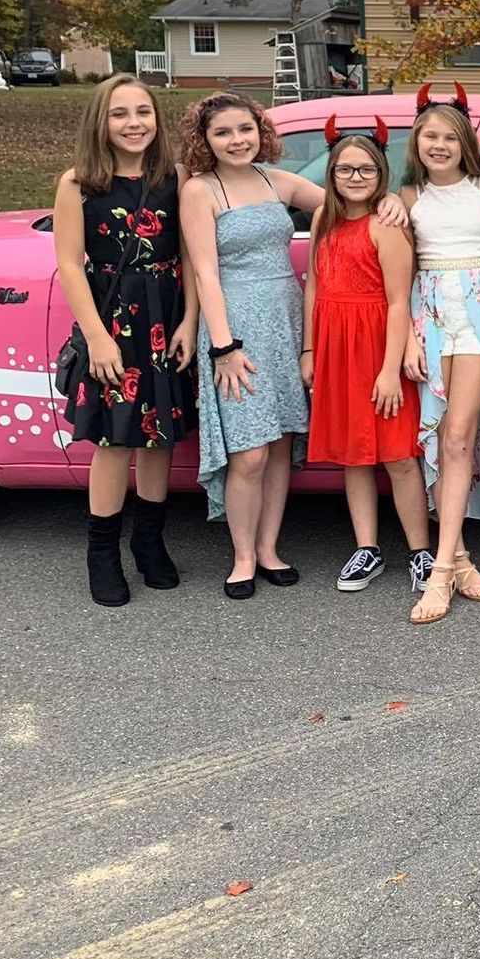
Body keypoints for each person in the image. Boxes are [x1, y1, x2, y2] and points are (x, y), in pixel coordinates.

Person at [179, 91, 407, 599]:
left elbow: (346, 199)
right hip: (235, 327)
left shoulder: (275, 180)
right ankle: (240, 558)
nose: (237, 140)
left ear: (261, 131)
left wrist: (392, 199)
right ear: (206, 140)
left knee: (280, 443)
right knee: (249, 454)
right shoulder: (200, 190)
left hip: (286, 320)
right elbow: (205, 273)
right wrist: (223, 347)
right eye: (223, 132)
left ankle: (268, 550)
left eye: (245, 129)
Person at [52, 74, 198, 607]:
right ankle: (102, 552)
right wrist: (97, 338)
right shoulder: (79, 183)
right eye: (120, 114)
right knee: (115, 441)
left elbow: (191, 257)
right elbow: (69, 263)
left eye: (142, 112)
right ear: (101, 122)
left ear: (156, 119)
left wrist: (190, 324)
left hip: (167, 316)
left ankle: (149, 541)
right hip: (112, 322)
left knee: (159, 437)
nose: (133, 123)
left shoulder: (175, 178)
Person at [401, 82, 480, 623]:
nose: (439, 144)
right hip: (429, 314)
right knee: (436, 440)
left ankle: (439, 575)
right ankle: (459, 561)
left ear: (466, 141)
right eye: (430, 135)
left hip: (478, 313)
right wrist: (408, 335)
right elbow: (403, 270)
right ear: (416, 140)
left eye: (450, 136)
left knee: (456, 436)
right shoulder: (406, 198)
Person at [303, 120, 438, 604]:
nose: (355, 176)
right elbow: (315, 288)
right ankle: (367, 547)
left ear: (380, 172)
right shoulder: (323, 219)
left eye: (365, 169)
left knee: (398, 454)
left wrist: (388, 369)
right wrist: (309, 349)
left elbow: (399, 301)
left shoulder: (387, 224)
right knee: (352, 455)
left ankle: (420, 551)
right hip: (335, 347)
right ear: (332, 172)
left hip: (377, 346)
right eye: (345, 168)